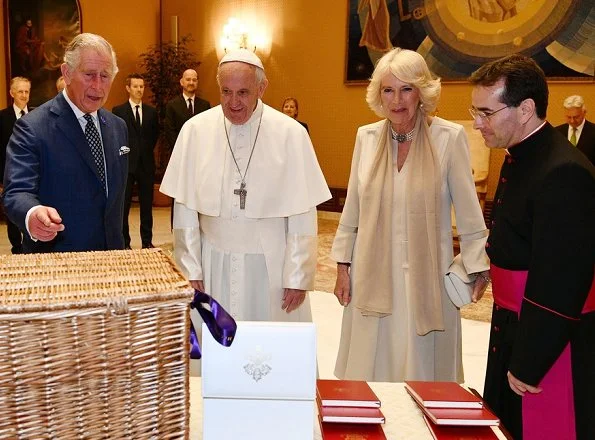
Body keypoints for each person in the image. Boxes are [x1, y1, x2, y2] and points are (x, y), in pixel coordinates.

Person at [331, 47, 490, 383]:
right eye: (388, 90)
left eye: (406, 89)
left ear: (422, 92)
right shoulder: (367, 137)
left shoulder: (448, 138)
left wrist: (477, 267)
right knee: (370, 364)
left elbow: (469, 213)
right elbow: (353, 209)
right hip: (372, 271)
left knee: (420, 369)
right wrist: (342, 266)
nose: (397, 100)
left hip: (428, 275)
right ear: (378, 94)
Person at [469, 54, 594, 440]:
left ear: (525, 109)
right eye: (474, 111)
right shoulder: (522, 155)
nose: (477, 123)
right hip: (513, 322)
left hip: (549, 340)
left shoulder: (563, 171)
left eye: (486, 112)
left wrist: (529, 362)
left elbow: (560, 281)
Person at [160, 48, 330, 325]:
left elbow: (302, 211)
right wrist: (190, 268)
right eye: (226, 92)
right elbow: (186, 209)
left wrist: (298, 275)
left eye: (243, 92)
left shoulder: (290, 134)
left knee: (270, 347)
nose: (233, 103)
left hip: (270, 263)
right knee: (215, 346)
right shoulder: (195, 130)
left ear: (262, 88)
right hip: (213, 260)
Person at [2, 33, 128, 253]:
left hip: (112, 261)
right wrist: (33, 214)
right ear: (66, 73)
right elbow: (16, 192)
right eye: (89, 75)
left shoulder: (118, 127)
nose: (98, 86)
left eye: (105, 76)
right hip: (57, 264)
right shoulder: (32, 127)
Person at [112, 73, 159, 249]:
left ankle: (147, 241)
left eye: (141, 86)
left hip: (146, 165)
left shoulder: (151, 112)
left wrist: (143, 152)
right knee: (124, 206)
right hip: (126, 165)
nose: (139, 89)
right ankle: (125, 242)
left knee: (147, 207)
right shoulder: (118, 111)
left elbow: (154, 136)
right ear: (128, 88)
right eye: (136, 86)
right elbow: (116, 136)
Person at [0, 77, 32, 254]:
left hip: (33, 174)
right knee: (12, 213)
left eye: (27, 91)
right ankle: (17, 248)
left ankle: (31, 245)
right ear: (12, 93)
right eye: (20, 91)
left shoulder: (36, 115)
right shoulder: (2, 117)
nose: (24, 95)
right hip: (9, 174)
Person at [164, 69, 210, 153]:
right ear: (181, 82)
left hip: (200, 153)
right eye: (188, 79)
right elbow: (170, 132)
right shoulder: (172, 105)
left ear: (197, 83)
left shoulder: (205, 106)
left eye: (194, 80)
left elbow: (208, 131)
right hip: (179, 152)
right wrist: (180, 150)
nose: (191, 83)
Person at [555, 95, 595, 165]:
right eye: (569, 117)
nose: (572, 121)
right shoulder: (557, 132)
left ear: (584, 113)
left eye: (576, 117)